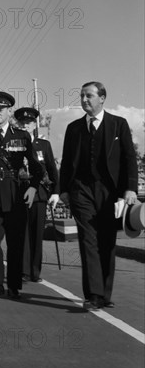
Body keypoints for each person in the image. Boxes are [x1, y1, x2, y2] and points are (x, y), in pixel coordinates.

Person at [59, 81, 138, 310]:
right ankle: (93, 294)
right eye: (82, 96)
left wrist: (130, 188)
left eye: (89, 96)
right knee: (88, 240)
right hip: (81, 190)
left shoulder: (118, 124)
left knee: (107, 241)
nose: (84, 100)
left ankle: (105, 293)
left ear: (102, 98)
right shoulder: (73, 128)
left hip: (110, 192)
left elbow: (129, 158)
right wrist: (63, 190)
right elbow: (66, 162)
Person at [0, 91, 44, 300]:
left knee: (15, 242)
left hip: (16, 195)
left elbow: (36, 167)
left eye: (0, 110)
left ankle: (13, 285)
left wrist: (33, 187)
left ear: (8, 111)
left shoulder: (21, 136)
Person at [14, 107, 59, 283]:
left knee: (37, 233)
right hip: (19, 192)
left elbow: (52, 169)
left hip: (39, 194)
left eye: (29, 122)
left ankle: (35, 271)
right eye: (22, 123)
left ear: (34, 124)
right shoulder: (13, 144)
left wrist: (55, 192)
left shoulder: (43, 145)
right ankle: (24, 271)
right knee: (23, 233)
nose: (25, 125)